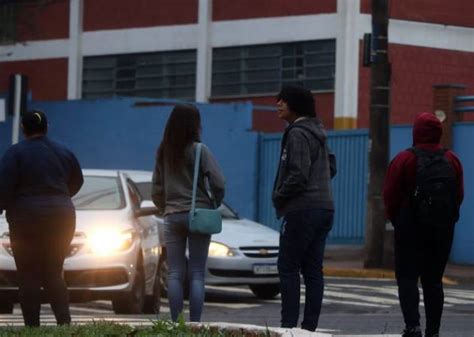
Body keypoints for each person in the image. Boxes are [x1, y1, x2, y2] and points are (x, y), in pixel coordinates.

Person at [383, 112, 464, 337]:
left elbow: (390, 195)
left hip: (410, 227)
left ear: (416, 132)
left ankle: (413, 327)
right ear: (439, 133)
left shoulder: (404, 159)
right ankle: (433, 331)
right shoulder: (452, 159)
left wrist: (396, 219)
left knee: (407, 278)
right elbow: (459, 194)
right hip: (442, 229)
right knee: (433, 281)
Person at [0, 110, 83, 327]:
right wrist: (60, 199)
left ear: (23, 129)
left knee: (28, 274)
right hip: (62, 216)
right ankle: (64, 324)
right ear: (47, 127)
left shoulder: (14, 153)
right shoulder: (64, 151)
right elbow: (77, 180)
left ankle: (32, 327)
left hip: (25, 217)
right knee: (54, 272)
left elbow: (3, 188)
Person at [152, 104, 225, 322]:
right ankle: (195, 324)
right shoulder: (200, 150)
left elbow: (157, 186)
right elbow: (219, 182)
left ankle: (176, 324)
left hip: (172, 215)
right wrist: (214, 202)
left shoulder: (164, 151)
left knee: (175, 272)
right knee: (197, 273)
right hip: (198, 214)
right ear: (195, 124)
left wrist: (164, 208)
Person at [272, 85, 336, 332]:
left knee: (287, 267)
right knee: (312, 270)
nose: (278, 104)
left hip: (302, 210)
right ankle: (309, 328)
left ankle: (288, 328)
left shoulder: (297, 133)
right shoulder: (319, 131)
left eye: (283, 101)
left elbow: (298, 174)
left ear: (294, 105)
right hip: (324, 208)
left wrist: (279, 195)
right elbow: (331, 166)